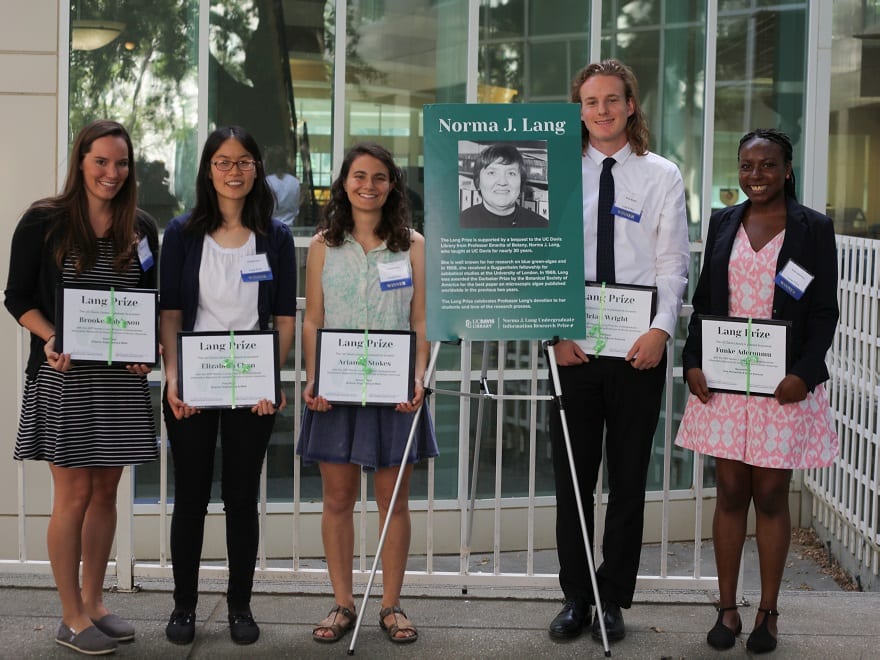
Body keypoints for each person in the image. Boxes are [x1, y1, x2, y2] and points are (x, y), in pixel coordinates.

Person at [675, 129, 839, 654]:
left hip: (783, 386)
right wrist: (692, 360)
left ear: (788, 169)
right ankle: (727, 610)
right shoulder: (724, 221)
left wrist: (806, 373)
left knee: (769, 494)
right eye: (747, 165)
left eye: (767, 165)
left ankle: (768, 612)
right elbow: (704, 302)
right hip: (724, 384)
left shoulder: (814, 228)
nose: (756, 175)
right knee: (729, 493)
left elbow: (823, 310)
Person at [546, 60, 690, 643]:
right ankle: (576, 598)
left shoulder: (662, 175)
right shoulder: (558, 172)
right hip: (572, 346)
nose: (601, 110)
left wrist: (660, 330)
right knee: (572, 480)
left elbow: (672, 262)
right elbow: (543, 254)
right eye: (589, 101)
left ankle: (612, 598)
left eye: (612, 99)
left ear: (631, 104)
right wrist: (554, 333)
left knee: (628, 478)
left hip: (637, 349)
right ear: (578, 108)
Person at [4, 120, 159, 655]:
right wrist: (50, 337)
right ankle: (70, 616)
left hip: (119, 383)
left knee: (105, 492)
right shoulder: (44, 220)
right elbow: (17, 296)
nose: (111, 173)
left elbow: (149, 300)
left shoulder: (140, 227)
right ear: (81, 161)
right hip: (64, 376)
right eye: (101, 161)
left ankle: (95, 604)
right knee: (72, 495)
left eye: (121, 164)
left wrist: (145, 354)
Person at [158, 126, 296, 646]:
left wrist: (271, 378)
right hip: (193, 385)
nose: (233, 171)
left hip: (252, 388)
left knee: (241, 498)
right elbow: (170, 313)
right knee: (190, 497)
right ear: (208, 170)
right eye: (222, 161)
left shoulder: (276, 236)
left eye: (243, 161)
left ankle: (240, 607)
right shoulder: (182, 233)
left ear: (256, 169)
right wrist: (174, 381)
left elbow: (283, 318)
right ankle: (184, 608)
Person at [297, 143, 438, 645]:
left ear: (393, 185)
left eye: (380, 177)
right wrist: (313, 377)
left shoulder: (414, 246)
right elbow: (313, 319)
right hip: (334, 390)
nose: (369, 185)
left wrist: (417, 376)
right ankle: (341, 603)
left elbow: (421, 320)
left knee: (392, 501)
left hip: (396, 388)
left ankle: (392, 605)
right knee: (337, 499)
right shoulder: (321, 246)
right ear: (344, 183)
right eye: (359, 176)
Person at [460, 142, 548, 228]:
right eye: (492, 173)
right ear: (478, 182)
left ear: (521, 182)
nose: (502, 182)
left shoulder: (542, 225)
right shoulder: (461, 223)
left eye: (511, 173)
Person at [265, 145, 302, 228]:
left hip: (271, 228)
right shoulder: (295, 182)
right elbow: (296, 209)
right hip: (290, 228)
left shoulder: (267, 182)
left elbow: (265, 209)